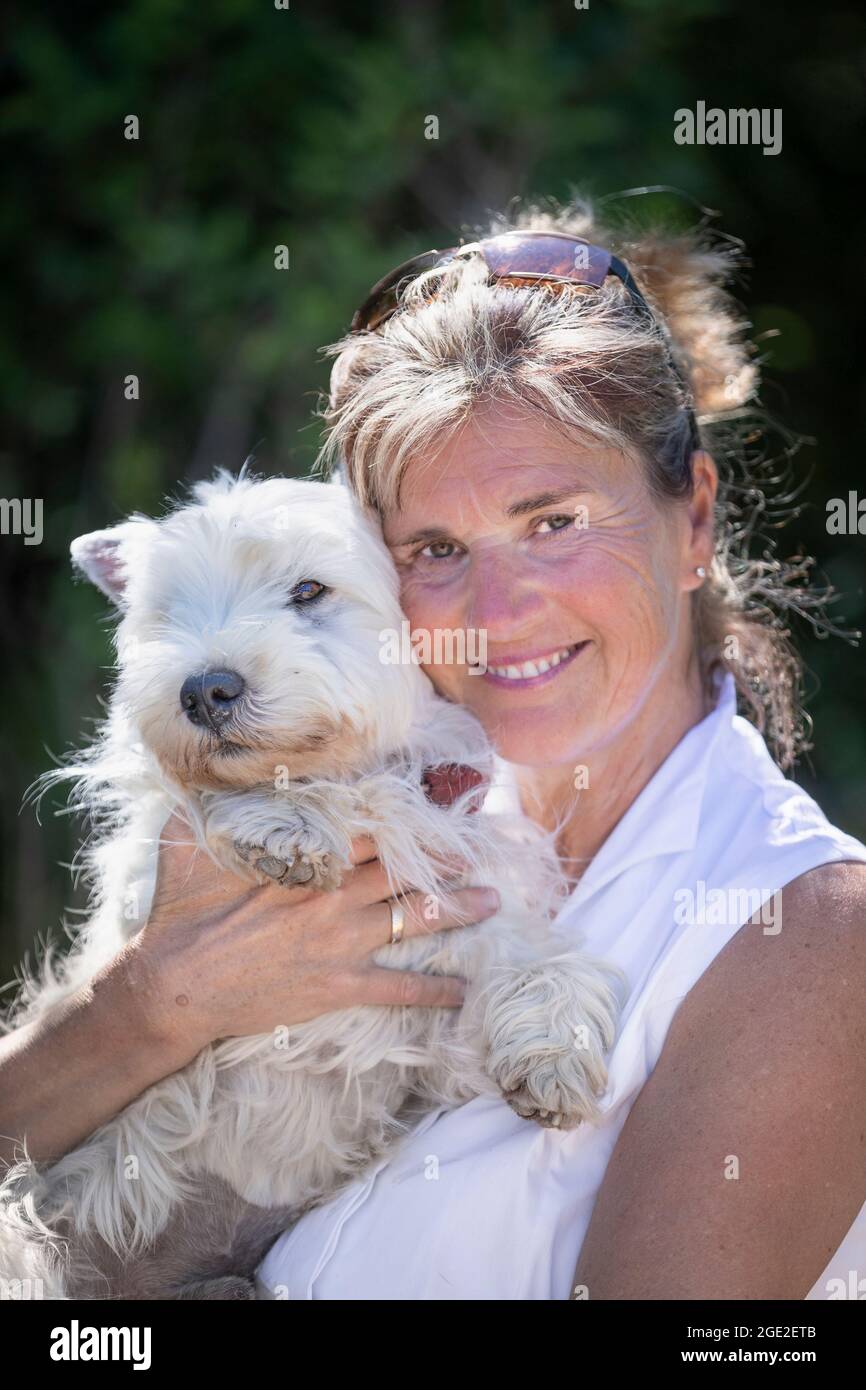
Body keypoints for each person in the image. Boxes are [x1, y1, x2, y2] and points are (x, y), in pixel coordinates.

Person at [3, 196, 866, 1300]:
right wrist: (146, 1008)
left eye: (552, 522)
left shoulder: (808, 937)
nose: (495, 610)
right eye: (434, 547)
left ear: (692, 519)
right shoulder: (354, 803)